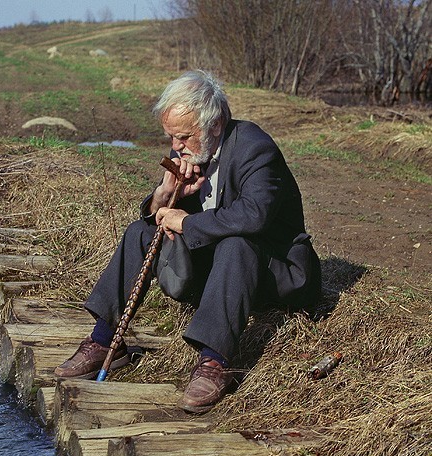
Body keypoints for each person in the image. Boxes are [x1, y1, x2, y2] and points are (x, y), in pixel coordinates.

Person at [55, 70, 322, 413]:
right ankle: (106, 340)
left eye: (183, 136)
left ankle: (214, 362)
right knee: (142, 232)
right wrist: (166, 194)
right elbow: (159, 218)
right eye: (171, 137)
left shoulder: (255, 148)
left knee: (237, 242)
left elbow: (254, 216)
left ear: (214, 124)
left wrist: (188, 221)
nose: (176, 146)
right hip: (225, 275)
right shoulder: (194, 152)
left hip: (278, 272)